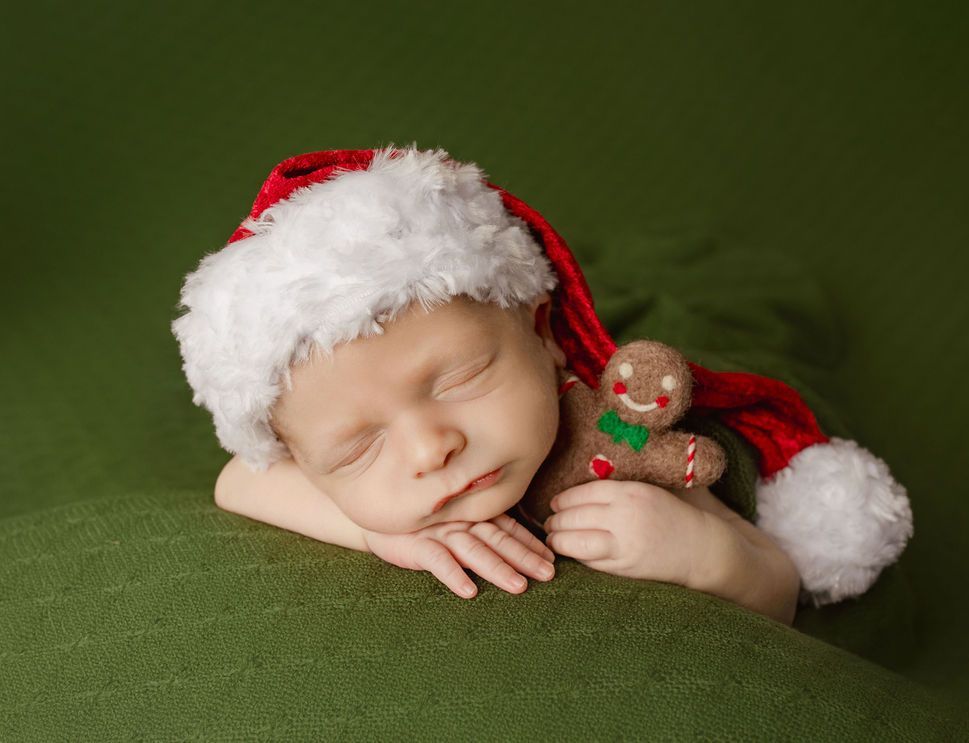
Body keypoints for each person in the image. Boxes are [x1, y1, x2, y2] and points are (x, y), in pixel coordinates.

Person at [171, 144, 913, 626]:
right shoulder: (350, 466)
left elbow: (780, 585)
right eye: (358, 449)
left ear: (546, 332)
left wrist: (705, 554)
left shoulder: (628, 444)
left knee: (711, 312)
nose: (432, 448)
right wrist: (371, 526)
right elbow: (240, 480)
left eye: (460, 377)